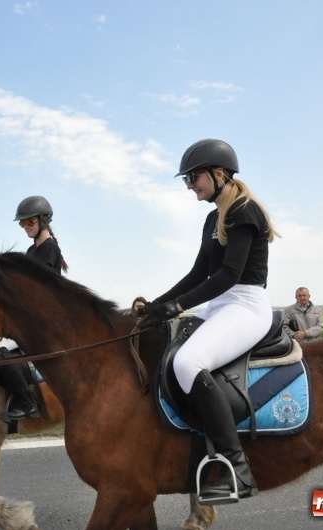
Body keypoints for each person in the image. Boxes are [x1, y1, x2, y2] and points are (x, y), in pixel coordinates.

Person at [139, 139, 278, 504]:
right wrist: (160, 304)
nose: (189, 185)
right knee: (164, 346)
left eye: (193, 177)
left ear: (218, 173)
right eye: (186, 179)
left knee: (188, 362)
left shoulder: (244, 210)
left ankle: (238, 469)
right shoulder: (212, 217)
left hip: (246, 305)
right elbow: (199, 272)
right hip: (219, 305)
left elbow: (230, 274)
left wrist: (179, 305)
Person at [0, 195, 68, 422]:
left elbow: (36, 290)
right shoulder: (31, 251)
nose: (25, 227)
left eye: (29, 222)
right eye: (22, 223)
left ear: (44, 220)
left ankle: (26, 403)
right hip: (28, 318)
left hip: (43, 321)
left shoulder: (49, 249)